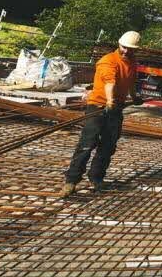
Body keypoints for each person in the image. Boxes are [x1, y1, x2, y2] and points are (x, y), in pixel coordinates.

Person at [60, 31, 140, 196]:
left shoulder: (132, 63)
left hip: (115, 108)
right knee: (87, 144)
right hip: (98, 106)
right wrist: (109, 101)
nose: (126, 51)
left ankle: (96, 178)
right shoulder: (108, 61)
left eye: (130, 49)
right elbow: (109, 82)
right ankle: (71, 181)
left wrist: (135, 97)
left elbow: (131, 82)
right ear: (119, 44)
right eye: (124, 47)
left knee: (108, 146)